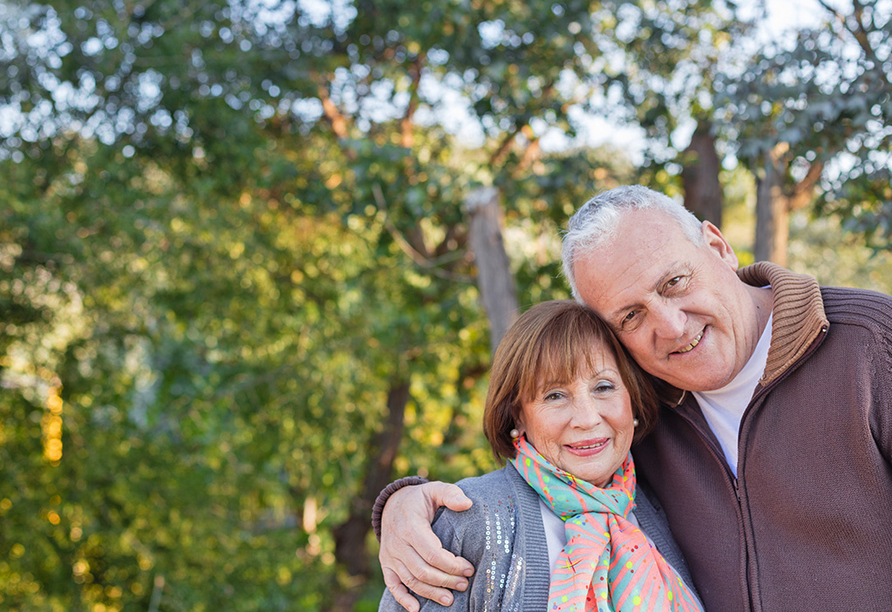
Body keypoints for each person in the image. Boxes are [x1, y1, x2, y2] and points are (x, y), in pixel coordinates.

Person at [373, 185, 892, 612]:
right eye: (631, 316)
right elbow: (544, 473)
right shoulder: (643, 408)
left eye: (675, 281)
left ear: (718, 247)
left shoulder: (873, 348)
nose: (670, 326)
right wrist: (404, 505)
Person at [378, 299, 704, 611]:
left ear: (632, 397)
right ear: (518, 415)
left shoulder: (669, 503)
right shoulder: (469, 522)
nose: (588, 418)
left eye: (603, 387)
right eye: (555, 395)